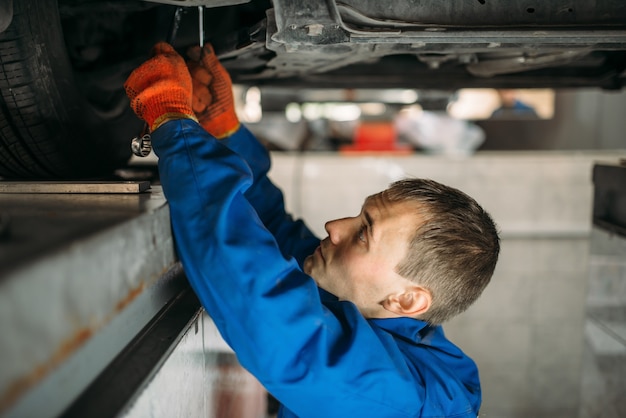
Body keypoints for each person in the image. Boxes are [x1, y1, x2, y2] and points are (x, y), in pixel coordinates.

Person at [124, 42, 500, 418]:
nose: (334, 226)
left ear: (406, 301)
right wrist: (224, 132)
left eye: (364, 234)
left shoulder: (399, 401)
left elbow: (270, 315)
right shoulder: (377, 313)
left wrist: (175, 125)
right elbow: (277, 236)